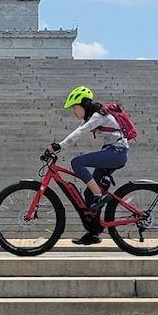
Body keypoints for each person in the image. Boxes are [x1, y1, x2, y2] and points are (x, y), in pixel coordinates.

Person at [49, 86, 129, 245]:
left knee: (77, 162)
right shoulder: (94, 116)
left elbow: (80, 132)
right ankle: (93, 233)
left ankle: (100, 195)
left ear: (84, 105)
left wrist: (59, 146)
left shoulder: (98, 116)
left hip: (116, 153)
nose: (74, 111)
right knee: (88, 194)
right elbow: (80, 129)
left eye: (75, 107)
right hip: (112, 151)